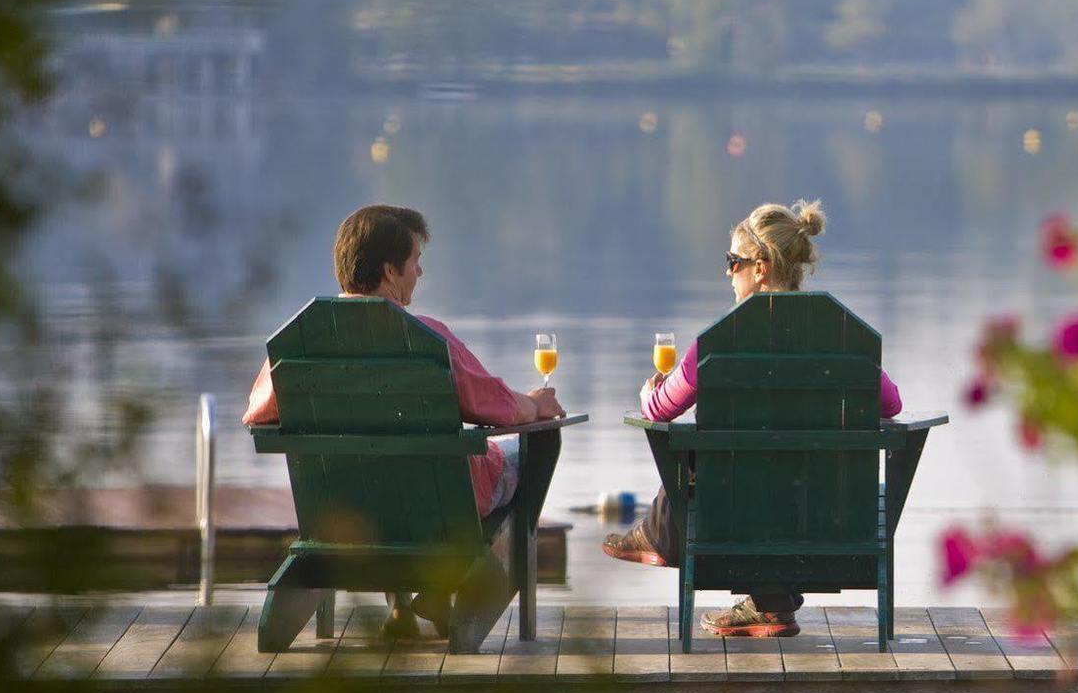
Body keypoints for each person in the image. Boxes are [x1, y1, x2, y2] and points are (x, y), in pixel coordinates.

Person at [242, 205, 566, 637]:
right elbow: (495, 407)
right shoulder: (427, 341)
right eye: (415, 262)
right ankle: (452, 584)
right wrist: (535, 404)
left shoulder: (297, 345)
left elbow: (257, 412)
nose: (419, 272)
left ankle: (401, 611)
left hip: (344, 509)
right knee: (535, 447)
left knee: (383, 465)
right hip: (437, 508)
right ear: (390, 271)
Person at [603, 199, 903, 638]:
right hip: (828, 513)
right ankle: (771, 605)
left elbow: (661, 411)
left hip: (734, 513)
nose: (727, 272)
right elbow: (892, 405)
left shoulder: (719, 343)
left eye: (733, 262)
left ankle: (659, 533)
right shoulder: (842, 336)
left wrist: (650, 392)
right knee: (775, 477)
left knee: (710, 459)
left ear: (760, 267)